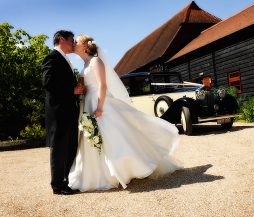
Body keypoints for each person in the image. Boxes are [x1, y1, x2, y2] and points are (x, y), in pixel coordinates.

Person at [68, 34, 181, 192]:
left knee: (113, 136)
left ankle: (125, 169)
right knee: (93, 138)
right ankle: (96, 175)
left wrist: (100, 107)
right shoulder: (84, 65)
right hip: (87, 103)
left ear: (85, 46)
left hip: (100, 104)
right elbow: (88, 86)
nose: (73, 43)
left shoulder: (96, 61)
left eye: (76, 42)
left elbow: (102, 85)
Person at [42, 30, 85, 195]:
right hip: (59, 113)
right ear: (61, 40)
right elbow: (48, 82)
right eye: (71, 40)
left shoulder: (64, 59)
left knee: (70, 147)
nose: (73, 43)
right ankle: (57, 186)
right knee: (59, 149)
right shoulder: (52, 57)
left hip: (69, 111)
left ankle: (65, 181)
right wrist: (72, 90)